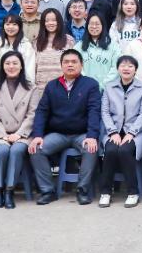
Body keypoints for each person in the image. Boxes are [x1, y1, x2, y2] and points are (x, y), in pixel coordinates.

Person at [28, 49, 101, 205]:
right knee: (36, 149)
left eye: (74, 62)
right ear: (61, 65)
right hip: (58, 134)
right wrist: (38, 135)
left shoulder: (90, 84)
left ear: (81, 65)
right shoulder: (52, 86)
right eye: (66, 62)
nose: (70, 65)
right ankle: (48, 191)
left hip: (82, 134)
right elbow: (42, 112)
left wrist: (92, 136)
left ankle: (82, 190)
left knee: (91, 148)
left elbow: (94, 111)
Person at [0, 50, 38, 209]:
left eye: (15, 63)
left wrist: (19, 134)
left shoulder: (31, 88)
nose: (11, 66)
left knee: (16, 150)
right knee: (2, 150)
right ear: (2, 66)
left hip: (23, 133)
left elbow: (32, 114)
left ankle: (9, 190)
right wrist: (2, 135)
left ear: (21, 66)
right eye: (7, 63)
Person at [98, 55, 142, 208]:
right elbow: (105, 112)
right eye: (123, 65)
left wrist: (132, 133)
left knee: (125, 151)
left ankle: (133, 192)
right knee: (110, 150)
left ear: (135, 70)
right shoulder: (109, 87)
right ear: (118, 69)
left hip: (136, 133)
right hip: (113, 131)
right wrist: (112, 132)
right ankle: (106, 192)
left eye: (130, 66)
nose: (126, 68)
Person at [31, 8, 75, 103]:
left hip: (63, 89)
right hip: (41, 90)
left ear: (59, 22)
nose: (50, 23)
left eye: (54, 20)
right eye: (47, 20)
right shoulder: (36, 42)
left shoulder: (69, 41)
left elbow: (73, 65)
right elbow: (33, 67)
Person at [73, 14, 120, 90]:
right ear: (87, 26)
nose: (94, 26)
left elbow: (116, 68)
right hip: (84, 89)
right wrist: (88, 85)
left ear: (103, 26)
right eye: (91, 24)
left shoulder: (114, 46)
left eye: (97, 24)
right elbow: (76, 67)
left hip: (108, 90)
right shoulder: (78, 47)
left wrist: (102, 85)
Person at [0, 14, 36, 86]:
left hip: (21, 87)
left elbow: (29, 69)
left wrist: (26, 86)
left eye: (14, 24)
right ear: (3, 26)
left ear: (20, 26)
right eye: (7, 24)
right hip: (0, 86)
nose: (10, 27)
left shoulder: (26, 45)